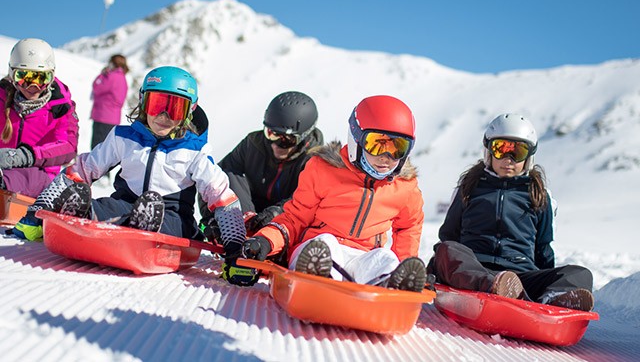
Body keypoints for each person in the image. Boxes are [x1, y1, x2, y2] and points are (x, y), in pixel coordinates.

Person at [14, 66, 256, 286]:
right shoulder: (124, 137)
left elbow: (222, 197)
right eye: (156, 105)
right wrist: (37, 211)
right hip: (126, 203)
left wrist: (235, 251)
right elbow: (82, 170)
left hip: (173, 216)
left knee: (157, 212)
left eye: (174, 109)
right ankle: (81, 215)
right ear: (142, 102)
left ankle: (146, 224)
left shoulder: (195, 151)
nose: (163, 116)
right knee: (103, 205)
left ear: (188, 112)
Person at [242, 95, 428, 292]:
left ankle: (392, 284)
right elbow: (295, 217)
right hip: (316, 247)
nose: (386, 157)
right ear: (357, 139)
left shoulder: (405, 188)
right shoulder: (324, 170)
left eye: (398, 147)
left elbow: (409, 227)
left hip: (363, 257)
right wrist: (267, 240)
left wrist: (405, 263)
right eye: (377, 144)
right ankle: (318, 277)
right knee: (325, 244)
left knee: (386, 258)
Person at [428, 113, 594, 311]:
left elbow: (543, 248)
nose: (508, 159)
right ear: (489, 151)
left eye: (518, 152)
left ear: (529, 156)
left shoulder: (539, 194)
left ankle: (552, 299)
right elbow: (449, 235)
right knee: (447, 249)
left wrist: (545, 280)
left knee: (581, 274)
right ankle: (493, 287)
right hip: (474, 270)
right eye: (501, 150)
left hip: (519, 278)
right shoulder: (470, 187)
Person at [200, 91, 323, 237]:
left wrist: (277, 213)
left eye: (286, 140)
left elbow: (307, 202)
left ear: (304, 138)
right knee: (227, 174)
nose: (275, 145)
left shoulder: (314, 162)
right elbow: (215, 177)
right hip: (248, 216)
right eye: (271, 133)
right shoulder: (253, 144)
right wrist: (215, 215)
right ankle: (234, 228)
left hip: (284, 224)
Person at [0, 38, 78, 202]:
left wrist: (26, 156)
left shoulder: (60, 107)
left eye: (41, 78)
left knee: (17, 177)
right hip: (3, 167)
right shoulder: (2, 99)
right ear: (12, 74)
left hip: (41, 173)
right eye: (24, 77)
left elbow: (69, 146)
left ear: (51, 77)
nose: (32, 86)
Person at [90, 54, 129, 149]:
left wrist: (102, 74)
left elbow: (97, 87)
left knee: (97, 148)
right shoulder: (122, 77)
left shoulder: (112, 77)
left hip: (103, 116)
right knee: (106, 149)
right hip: (113, 117)